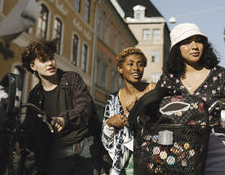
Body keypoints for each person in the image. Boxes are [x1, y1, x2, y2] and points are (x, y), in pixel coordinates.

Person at [156, 23, 225, 175]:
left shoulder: (219, 74)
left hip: (214, 144)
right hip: (177, 146)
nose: (194, 46)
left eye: (198, 41)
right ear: (177, 48)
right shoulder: (168, 78)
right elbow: (156, 112)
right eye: (187, 42)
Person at [21, 38, 102, 175]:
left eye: (51, 58)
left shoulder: (71, 79)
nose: (50, 63)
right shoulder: (35, 95)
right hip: (57, 152)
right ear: (33, 66)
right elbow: (30, 127)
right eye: (43, 60)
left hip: (85, 145)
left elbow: (85, 106)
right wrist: (20, 141)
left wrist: (64, 119)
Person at [102, 47, 156, 175]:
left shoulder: (153, 90)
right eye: (130, 64)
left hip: (153, 159)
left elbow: (164, 123)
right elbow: (105, 140)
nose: (136, 68)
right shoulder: (113, 100)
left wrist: (141, 112)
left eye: (140, 64)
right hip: (124, 165)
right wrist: (110, 124)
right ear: (120, 68)